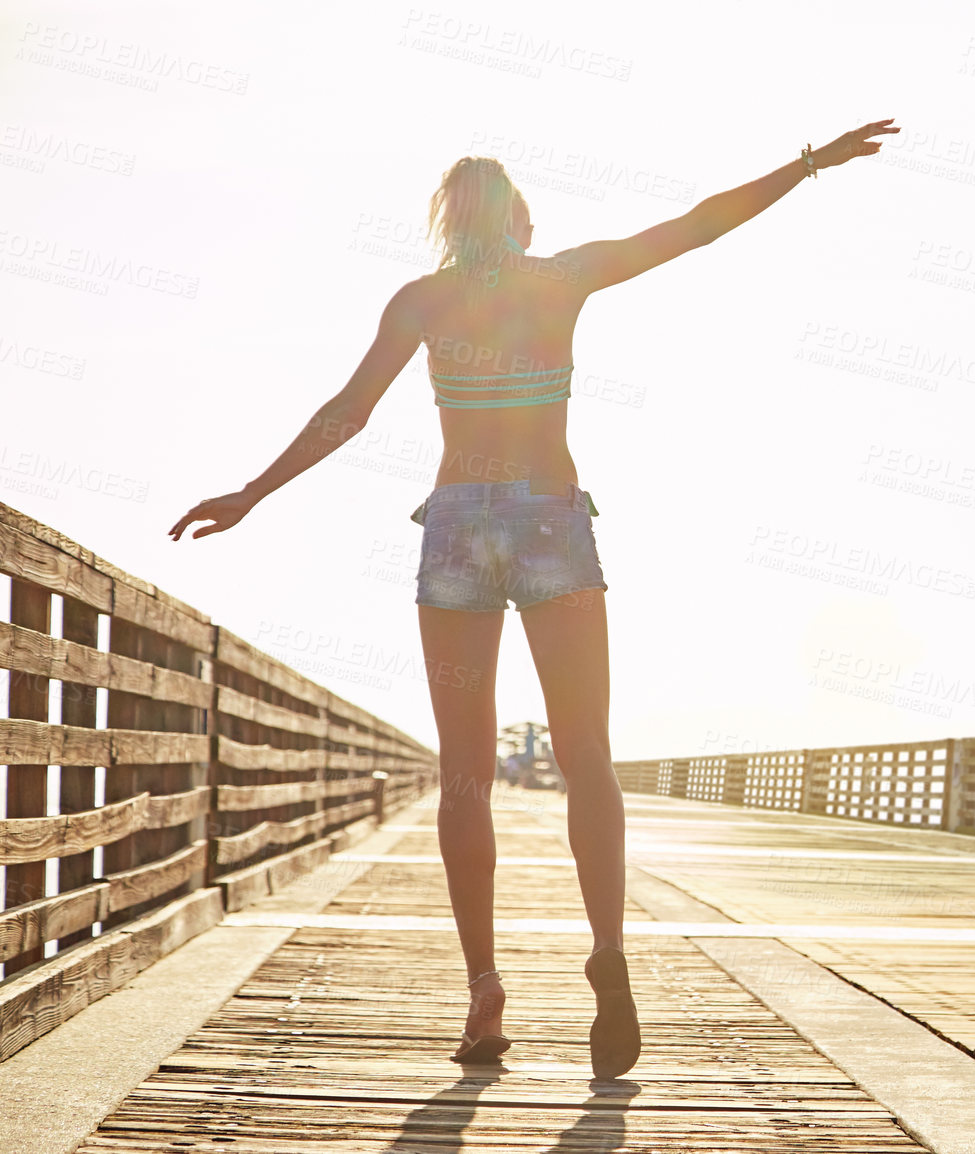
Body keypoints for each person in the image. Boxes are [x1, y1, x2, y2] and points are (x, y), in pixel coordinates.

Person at [167, 119, 899, 1077]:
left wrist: (253, 492)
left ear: (445, 223)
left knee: (465, 770)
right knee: (586, 751)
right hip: (552, 519)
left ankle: (483, 992)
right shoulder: (562, 279)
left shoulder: (421, 301)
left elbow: (347, 413)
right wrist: (808, 164)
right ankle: (607, 949)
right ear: (518, 219)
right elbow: (699, 226)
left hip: (458, 531)